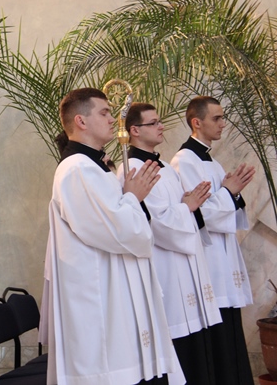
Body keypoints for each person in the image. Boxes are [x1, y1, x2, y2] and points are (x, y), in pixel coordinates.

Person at [44, 87, 181, 385]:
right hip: (100, 295)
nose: (113, 119)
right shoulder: (77, 169)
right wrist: (133, 197)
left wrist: (131, 196)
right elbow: (118, 231)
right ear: (81, 121)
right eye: (105, 112)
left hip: (113, 286)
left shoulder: (95, 167)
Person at [121, 103, 222, 384]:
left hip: (185, 266)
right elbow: (156, 223)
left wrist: (191, 204)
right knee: (180, 346)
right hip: (166, 267)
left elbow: (179, 209)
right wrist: (187, 207)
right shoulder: (133, 169)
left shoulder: (163, 166)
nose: (161, 126)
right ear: (134, 130)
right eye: (154, 123)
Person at [170, 96, 255, 385]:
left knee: (230, 333)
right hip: (210, 260)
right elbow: (200, 213)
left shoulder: (212, 162)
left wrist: (235, 192)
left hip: (224, 256)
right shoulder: (184, 161)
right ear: (197, 122)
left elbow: (224, 206)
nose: (223, 124)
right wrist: (229, 192)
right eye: (217, 118)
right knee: (218, 339)